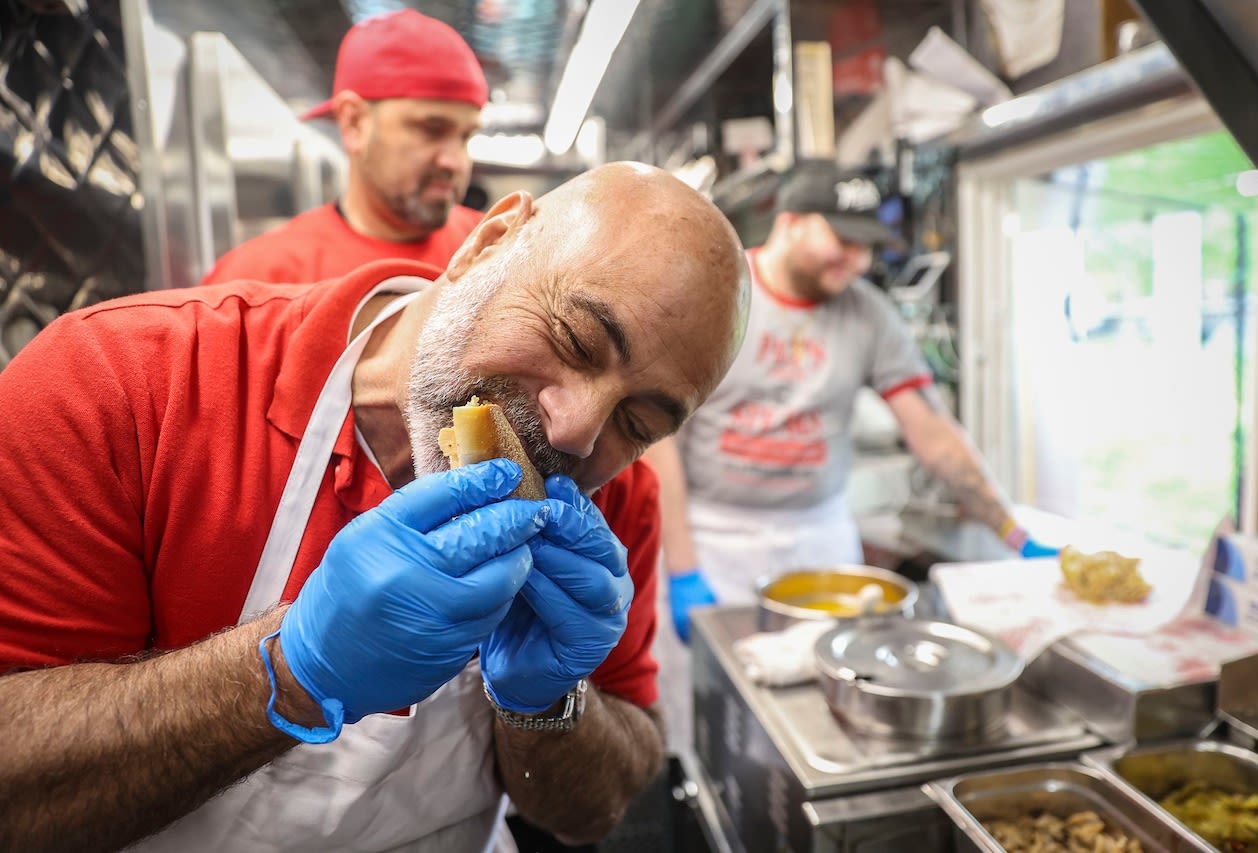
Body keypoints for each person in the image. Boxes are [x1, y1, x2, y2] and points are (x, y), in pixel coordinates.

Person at [0, 162, 750, 852]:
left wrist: (549, 704)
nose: (578, 430)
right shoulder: (125, 385)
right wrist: (287, 671)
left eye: (638, 423)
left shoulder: (616, 500)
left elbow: (591, 811)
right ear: (485, 246)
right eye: (574, 338)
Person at [645, 159, 1056, 753]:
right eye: (842, 240)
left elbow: (932, 432)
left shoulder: (868, 314)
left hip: (821, 541)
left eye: (869, 246)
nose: (857, 261)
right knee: (712, 721)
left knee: (828, 711)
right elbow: (662, 441)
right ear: (789, 222)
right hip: (714, 537)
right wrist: (682, 568)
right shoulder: (714, 294)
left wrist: (1014, 532)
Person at [202, 9, 488, 285]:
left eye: (466, 137)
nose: (455, 161)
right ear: (355, 123)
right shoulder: (261, 278)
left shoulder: (497, 248)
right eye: (431, 130)